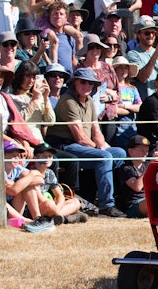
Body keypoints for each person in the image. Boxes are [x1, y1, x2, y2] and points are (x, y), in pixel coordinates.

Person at [46, 67, 128, 217]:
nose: (87, 86)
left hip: (83, 145)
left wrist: (102, 146)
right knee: (104, 157)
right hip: (65, 145)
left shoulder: (89, 100)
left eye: (91, 83)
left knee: (119, 153)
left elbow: (96, 130)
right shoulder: (68, 100)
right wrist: (100, 150)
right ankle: (106, 205)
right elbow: (80, 137)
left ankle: (121, 200)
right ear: (74, 83)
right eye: (83, 82)